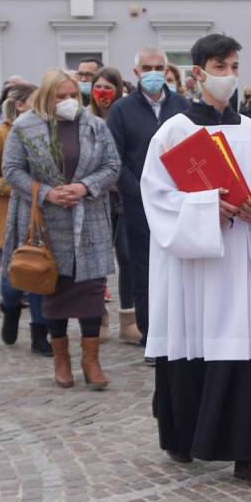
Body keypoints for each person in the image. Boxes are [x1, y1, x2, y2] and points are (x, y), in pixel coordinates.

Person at [140, 33, 251, 487]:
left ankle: (248, 455)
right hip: (192, 267)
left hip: (239, 263)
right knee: (190, 345)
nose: (228, 75)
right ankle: (181, 437)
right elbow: (156, 197)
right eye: (220, 67)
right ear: (198, 73)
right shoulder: (174, 132)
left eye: (234, 66)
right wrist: (206, 208)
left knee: (245, 354)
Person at [2, 69, 120, 389]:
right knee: (53, 289)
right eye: (60, 96)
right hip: (48, 222)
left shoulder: (94, 125)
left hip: (88, 219)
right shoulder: (25, 126)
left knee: (91, 290)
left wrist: (84, 187)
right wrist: (46, 193)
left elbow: (112, 166)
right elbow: (11, 169)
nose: (68, 101)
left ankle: (91, 361)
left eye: (73, 95)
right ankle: (62, 359)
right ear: (46, 97)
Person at [105, 47, 189, 359]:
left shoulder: (181, 106)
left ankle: (178, 332)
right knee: (143, 269)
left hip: (177, 202)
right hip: (137, 204)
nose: (153, 73)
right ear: (136, 72)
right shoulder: (121, 110)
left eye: (158, 67)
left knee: (178, 268)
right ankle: (150, 336)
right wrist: (139, 190)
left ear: (166, 71)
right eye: (147, 67)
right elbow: (115, 157)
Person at [0, 81, 52, 356]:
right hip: (8, 217)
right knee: (13, 279)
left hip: (40, 217)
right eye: (35, 100)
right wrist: (18, 187)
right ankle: (10, 309)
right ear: (19, 105)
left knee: (39, 275)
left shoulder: (48, 132)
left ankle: (39, 333)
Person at [91, 66, 136, 344]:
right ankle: (98, 316)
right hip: (95, 199)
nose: (102, 93)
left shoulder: (124, 116)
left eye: (108, 88)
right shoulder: (84, 118)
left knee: (127, 257)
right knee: (97, 259)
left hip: (122, 199)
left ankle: (129, 318)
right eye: (98, 87)